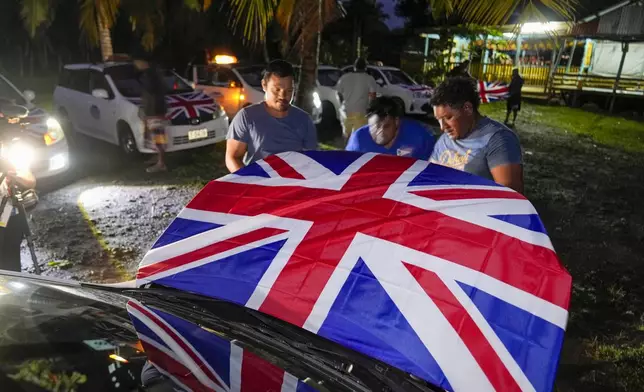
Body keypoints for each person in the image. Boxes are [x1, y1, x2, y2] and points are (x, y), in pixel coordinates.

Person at [430, 77, 524, 193]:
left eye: (448, 118)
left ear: (468, 108)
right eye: (438, 120)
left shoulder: (499, 139)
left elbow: (509, 197)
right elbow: (430, 176)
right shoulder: (446, 138)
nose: (442, 127)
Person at [225, 60, 318, 173]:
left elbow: (312, 161)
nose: (283, 96)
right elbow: (232, 157)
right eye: (277, 89)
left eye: (289, 91)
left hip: (294, 185)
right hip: (258, 184)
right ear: (264, 85)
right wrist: (249, 182)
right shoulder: (247, 117)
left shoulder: (304, 120)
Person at [345, 96, 435, 159]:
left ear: (396, 121)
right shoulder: (358, 140)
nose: (380, 132)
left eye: (386, 126)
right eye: (375, 127)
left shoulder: (420, 136)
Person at [133, 52, 168, 173]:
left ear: (143, 62)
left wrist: (151, 113)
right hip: (154, 111)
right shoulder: (151, 74)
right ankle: (157, 159)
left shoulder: (150, 76)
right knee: (153, 138)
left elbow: (153, 94)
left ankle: (161, 163)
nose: (135, 64)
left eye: (137, 62)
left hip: (155, 112)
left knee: (158, 138)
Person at [0, 156, 36, 272]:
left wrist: (12, 174)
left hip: (6, 212)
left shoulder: (9, 156)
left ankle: (11, 282)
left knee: (10, 253)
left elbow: (30, 181)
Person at [335, 58, 378, 139]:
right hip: (361, 111)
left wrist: (342, 103)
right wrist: (370, 109)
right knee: (359, 137)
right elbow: (372, 96)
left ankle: (346, 150)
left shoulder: (344, 77)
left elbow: (338, 92)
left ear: (354, 67)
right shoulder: (369, 79)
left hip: (346, 111)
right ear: (365, 67)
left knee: (346, 136)